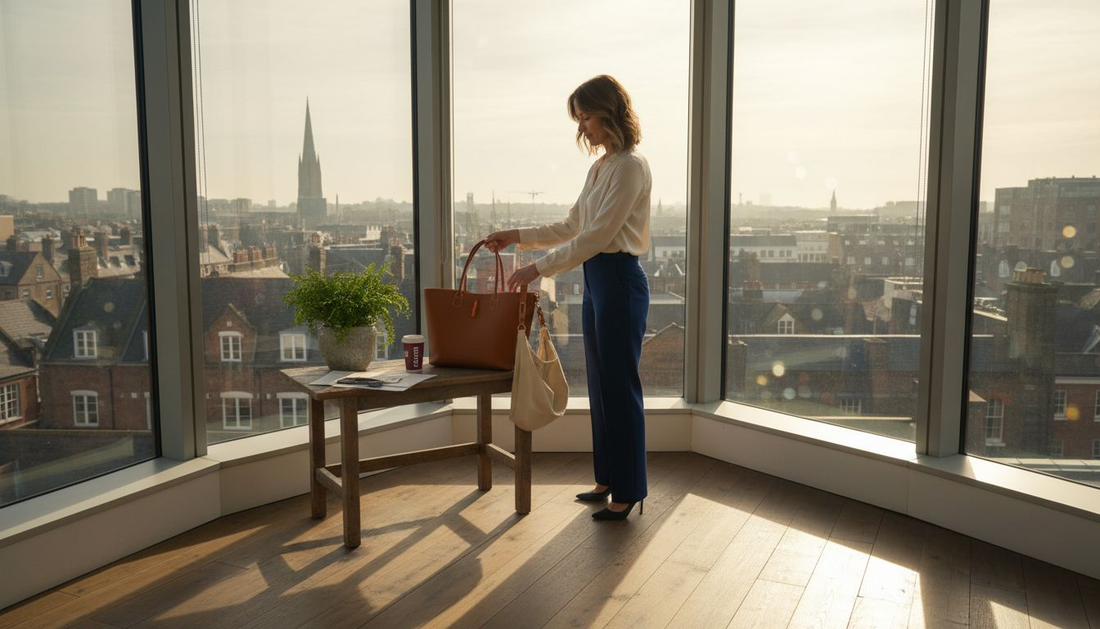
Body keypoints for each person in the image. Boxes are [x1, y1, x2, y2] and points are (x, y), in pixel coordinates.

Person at [484, 74, 651, 521]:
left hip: (619, 279)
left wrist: (536, 269)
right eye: (578, 119)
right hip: (597, 280)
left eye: (586, 117)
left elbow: (597, 236)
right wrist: (516, 236)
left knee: (620, 386)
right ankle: (608, 478)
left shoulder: (631, 167)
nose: (582, 128)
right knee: (599, 384)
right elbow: (571, 226)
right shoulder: (600, 168)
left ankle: (629, 489)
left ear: (609, 113)